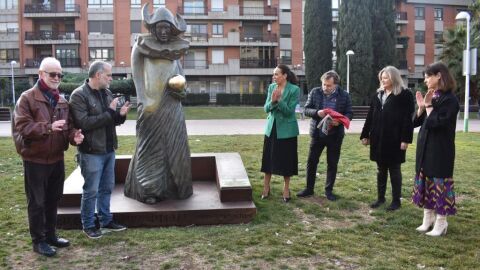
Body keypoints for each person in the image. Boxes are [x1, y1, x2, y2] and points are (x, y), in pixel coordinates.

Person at [12, 57, 84, 257]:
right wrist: (49, 128)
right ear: (41, 74)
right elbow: (23, 127)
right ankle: (39, 241)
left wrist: (74, 136)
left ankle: (51, 235)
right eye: (53, 74)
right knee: (37, 202)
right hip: (35, 159)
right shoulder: (27, 98)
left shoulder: (61, 100)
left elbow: (67, 127)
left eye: (60, 74)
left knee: (53, 199)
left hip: (56, 158)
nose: (57, 78)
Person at [125, 5, 192, 203]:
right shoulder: (141, 46)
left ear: (172, 30)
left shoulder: (174, 53)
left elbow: (181, 77)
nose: (163, 31)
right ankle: (149, 189)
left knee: (175, 144)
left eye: (167, 28)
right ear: (153, 28)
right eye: (160, 27)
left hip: (172, 105)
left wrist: (181, 89)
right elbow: (137, 75)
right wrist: (143, 100)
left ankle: (177, 186)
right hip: (150, 106)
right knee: (150, 146)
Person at [69, 61, 131, 239]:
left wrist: (120, 116)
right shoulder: (79, 95)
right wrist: (111, 113)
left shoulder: (107, 92)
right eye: (108, 75)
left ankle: (106, 220)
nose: (111, 79)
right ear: (98, 75)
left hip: (109, 150)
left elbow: (110, 120)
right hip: (91, 152)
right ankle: (88, 225)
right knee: (91, 191)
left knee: (106, 188)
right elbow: (84, 123)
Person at [412, 62, 459, 236]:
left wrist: (429, 106)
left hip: (441, 149)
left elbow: (438, 123)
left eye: (427, 76)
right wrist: (421, 108)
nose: (425, 80)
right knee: (427, 183)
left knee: (439, 184)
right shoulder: (432, 96)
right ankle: (428, 219)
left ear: (439, 75)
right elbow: (416, 122)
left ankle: (441, 223)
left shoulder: (450, 99)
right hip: (425, 148)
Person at [360, 66, 414, 211]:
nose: (383, 80)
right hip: (378, 138)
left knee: (395, 170)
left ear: (394, 78)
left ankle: (396, 201)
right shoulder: (378, 94)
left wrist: (405, 139)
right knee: (380, 169)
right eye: (382, 78)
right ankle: (380, 198)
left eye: (386, 77)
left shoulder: (405, 95)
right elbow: (370, 116)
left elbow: (407, 119)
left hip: (395, 139)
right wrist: (365, 135)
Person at [297, 71, 352, 201]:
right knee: (312, 161)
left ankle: (329, 191)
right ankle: (309, 189)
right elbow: (305, 109)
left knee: (332, 163)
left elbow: (349, 113)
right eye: (324, 84)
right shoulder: (315, 92)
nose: (325, 88)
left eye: (328, 85)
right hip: (317, 134)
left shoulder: (344, 95)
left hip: (335, 135)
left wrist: (339, 121)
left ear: (335, 85)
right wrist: (318, 112)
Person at [260, 64, 300, 203]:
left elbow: (289, 111)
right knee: (268, 159)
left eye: (276, 74)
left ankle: (286, 189)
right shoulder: (271, 87)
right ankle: (266, 187)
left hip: (287, 131)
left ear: (285, 75)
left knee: (286, 161)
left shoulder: (294, 89)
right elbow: (266, 109)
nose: (274, 77)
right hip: (272, 129)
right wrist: (272, 101)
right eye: (273, 74)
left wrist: (279, 101)